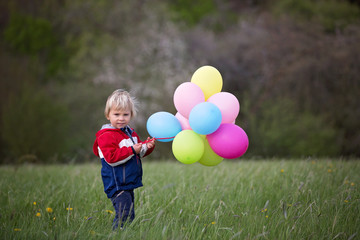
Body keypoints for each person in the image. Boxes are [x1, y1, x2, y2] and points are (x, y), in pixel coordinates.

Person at [93, 89, 155, 230]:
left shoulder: (130, 133)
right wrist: (133, 149)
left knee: (129, 215)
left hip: (127, 183)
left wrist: (148, 146)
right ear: (108, 115)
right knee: (124, 214)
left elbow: (138, 152)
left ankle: (125, 234)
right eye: (116, 114)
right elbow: (112, 158)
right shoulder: (106, 136)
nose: (121, 118)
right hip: (116, 183)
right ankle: (116, 234)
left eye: (125, 114)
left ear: (131, 115)